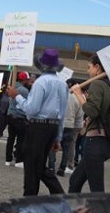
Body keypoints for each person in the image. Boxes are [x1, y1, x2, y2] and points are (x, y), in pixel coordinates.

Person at [6, 48, 68, 196]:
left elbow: (31, 109)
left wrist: (17, 96)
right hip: (52, 126)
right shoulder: (63, 84)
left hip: (38, 126)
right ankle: (57, 193)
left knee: (32, 165)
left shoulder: (41, 82)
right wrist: (57, 137)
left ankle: (30, 199)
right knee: (38, 165)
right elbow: (63, 114)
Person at [68, 55, 110, 193]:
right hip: (105, 142)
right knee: (75, 181)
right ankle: (74, 211)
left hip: (96, 141)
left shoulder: (97, 84)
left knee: (96, 191)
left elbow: (92, 111)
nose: (87, 71)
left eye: (89, 67)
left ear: (97, 67)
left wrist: (79, 94)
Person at [48, 78, 83, 176]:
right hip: (70, 125)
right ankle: (62, 168)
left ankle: (51, 167)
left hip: (58, 123)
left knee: (53, 146)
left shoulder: (59, 95)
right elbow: (79, 115)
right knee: (67, 148)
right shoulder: (77, 98)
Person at [5, 72, 30, 167]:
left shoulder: (11, 88)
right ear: (23, 80)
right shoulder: (23, 90)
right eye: (27, 80)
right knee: (21, 139)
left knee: (10, 138)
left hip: (11, 115)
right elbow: (28, 105)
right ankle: (19, 161)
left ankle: (8, 159)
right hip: (19, 117)